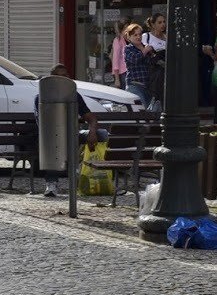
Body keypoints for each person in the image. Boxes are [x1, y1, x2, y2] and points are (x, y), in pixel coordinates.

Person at [34, 64, 107, 198]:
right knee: (52, 142)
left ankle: (99, 176)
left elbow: (90, 117)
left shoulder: (74, 95)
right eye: (59, 76)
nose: (63, 79)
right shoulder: (42, 96)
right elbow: (44, 124)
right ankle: (52, 183)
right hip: (52, 136)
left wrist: (92, 132)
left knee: (103, 134)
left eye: (65, 76)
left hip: (73, 133)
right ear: (52, 78)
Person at [122, 22, 155, 108]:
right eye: (135, 35)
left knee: (150, 113)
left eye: (140, 34)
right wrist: (144, 51)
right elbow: (135, 59)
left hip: (148, 87)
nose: (138, 37)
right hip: (135, 85)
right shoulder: (128, 49)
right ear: (129, 37)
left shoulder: (146, 47)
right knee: (141, 111)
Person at [111, 19, 128, 89]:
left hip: (127, 71)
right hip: (121, 73)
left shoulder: (127, 39)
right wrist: (117, 79)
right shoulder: (118, 40)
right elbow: (115, 59)